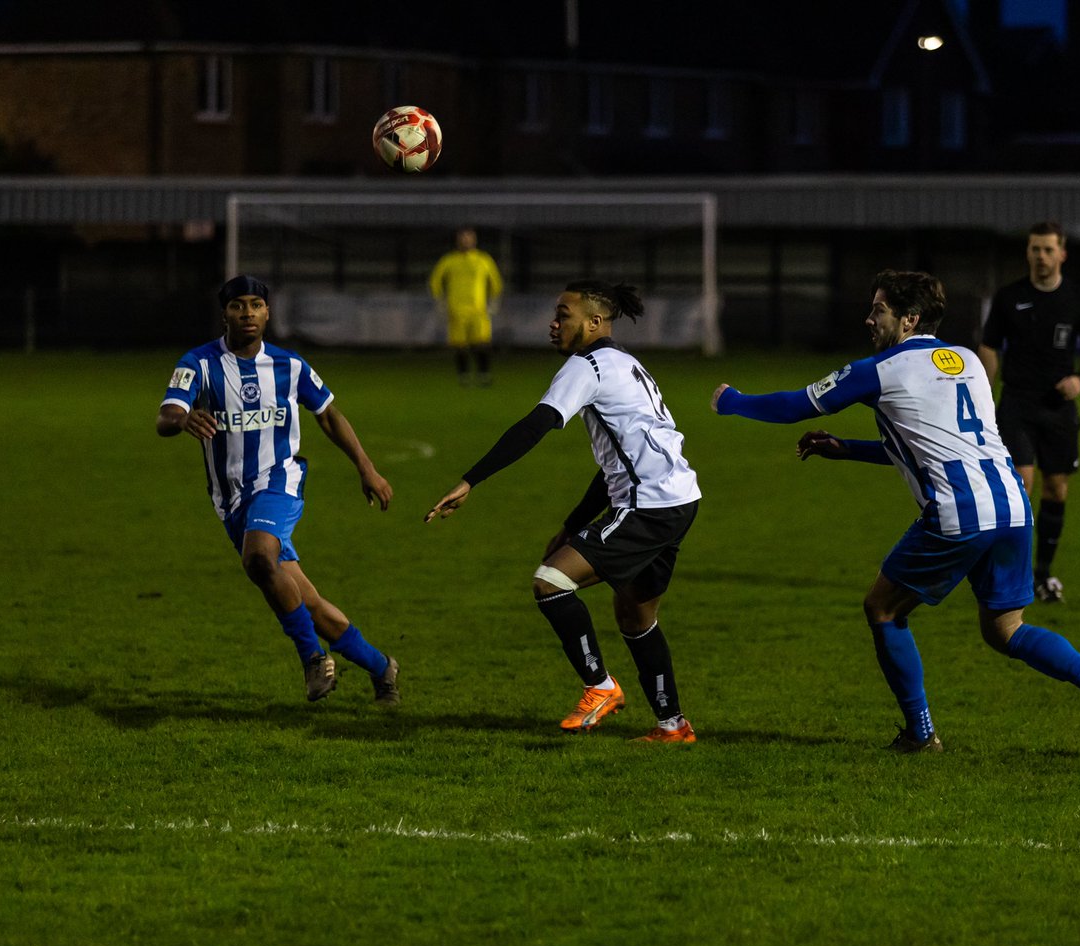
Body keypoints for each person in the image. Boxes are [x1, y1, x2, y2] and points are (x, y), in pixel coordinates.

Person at [711, 268, 1080, 758]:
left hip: (959, 510)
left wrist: (734, 401)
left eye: (879, 310)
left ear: (909, 319)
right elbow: (931, 443)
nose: (869, 319)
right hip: (1011, 505)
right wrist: (847, 449)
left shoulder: (879, 369)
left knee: (883, 609)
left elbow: (795, 404)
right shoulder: (969, 360)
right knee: (1006, 629)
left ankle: (920, 732)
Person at [425, 279, 702, 743]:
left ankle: (600, 686)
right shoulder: (628, 363)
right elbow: (615, 465)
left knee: (550, 583)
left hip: (649, 503)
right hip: (678, 498)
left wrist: (470, 479)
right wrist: (571, 526)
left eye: (564, 315)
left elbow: (538, 424)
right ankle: (672, 724)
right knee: (636, 615)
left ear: (595, 323)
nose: (553, 324)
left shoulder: (588, 364)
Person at [156, 274, 401, 707]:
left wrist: (367, 468)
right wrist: (182, 420)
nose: (247, 313)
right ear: (224, 313)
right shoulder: (198, 363)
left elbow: (328, 415)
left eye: (255, 305)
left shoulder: (290, 365)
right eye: (237, 306)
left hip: (279, 480)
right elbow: (168, 413)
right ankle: (382, 667)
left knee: (258, 557)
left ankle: (311, 659)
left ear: (268, 312)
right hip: (230, 498)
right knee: (304, 601)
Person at [978, 221, 1080, 604]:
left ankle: (1043, 576)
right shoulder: (1008, 298)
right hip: (1017, 403)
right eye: (1035, 249)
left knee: (1056, 488)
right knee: (1021, 483)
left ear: (1062, 254)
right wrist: (986, 390)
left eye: (1048, 249)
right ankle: (1005, 574)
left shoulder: (1078, 302)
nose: (1041, 256)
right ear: (1028, 253)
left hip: (1059, 408)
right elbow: (988, 346)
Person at [428, 227, 504, 386]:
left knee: (482, 343)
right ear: (457, 240)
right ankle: (464, 376)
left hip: (479, 310)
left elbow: (495, 282)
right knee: (459, 345)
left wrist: (493, 302)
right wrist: (440, 301)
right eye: (463, 237)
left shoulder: (483, 259)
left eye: (468, 237)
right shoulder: (449, 260)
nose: (465, 240)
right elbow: (435, 281)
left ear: (474, 240)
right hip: (456, 311)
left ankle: (484, 374)